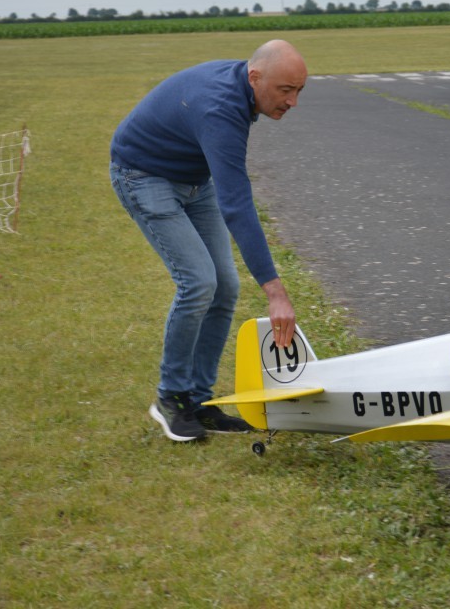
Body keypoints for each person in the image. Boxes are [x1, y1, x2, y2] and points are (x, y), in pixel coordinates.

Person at [110, 39, 306, 442]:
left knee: (226, 286)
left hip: (193, 180)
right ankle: (171, 397)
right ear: (255, 77)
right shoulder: (220, 109)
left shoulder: (244, 85)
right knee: (199, 281)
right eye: (286, 90)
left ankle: (199, 401)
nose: (293, 102)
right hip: (143, 175)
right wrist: (275, 292)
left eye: (299, 90)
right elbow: (236, 202)